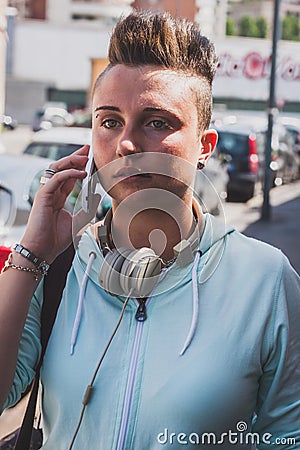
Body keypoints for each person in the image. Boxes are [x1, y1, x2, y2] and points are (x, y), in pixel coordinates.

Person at [0, 10, 299, 450]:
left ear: (205, 147)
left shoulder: (266, 280)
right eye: (109, 120)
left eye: (157, 122)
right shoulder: (62, 268)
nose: (126, 143)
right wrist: (32, 252)